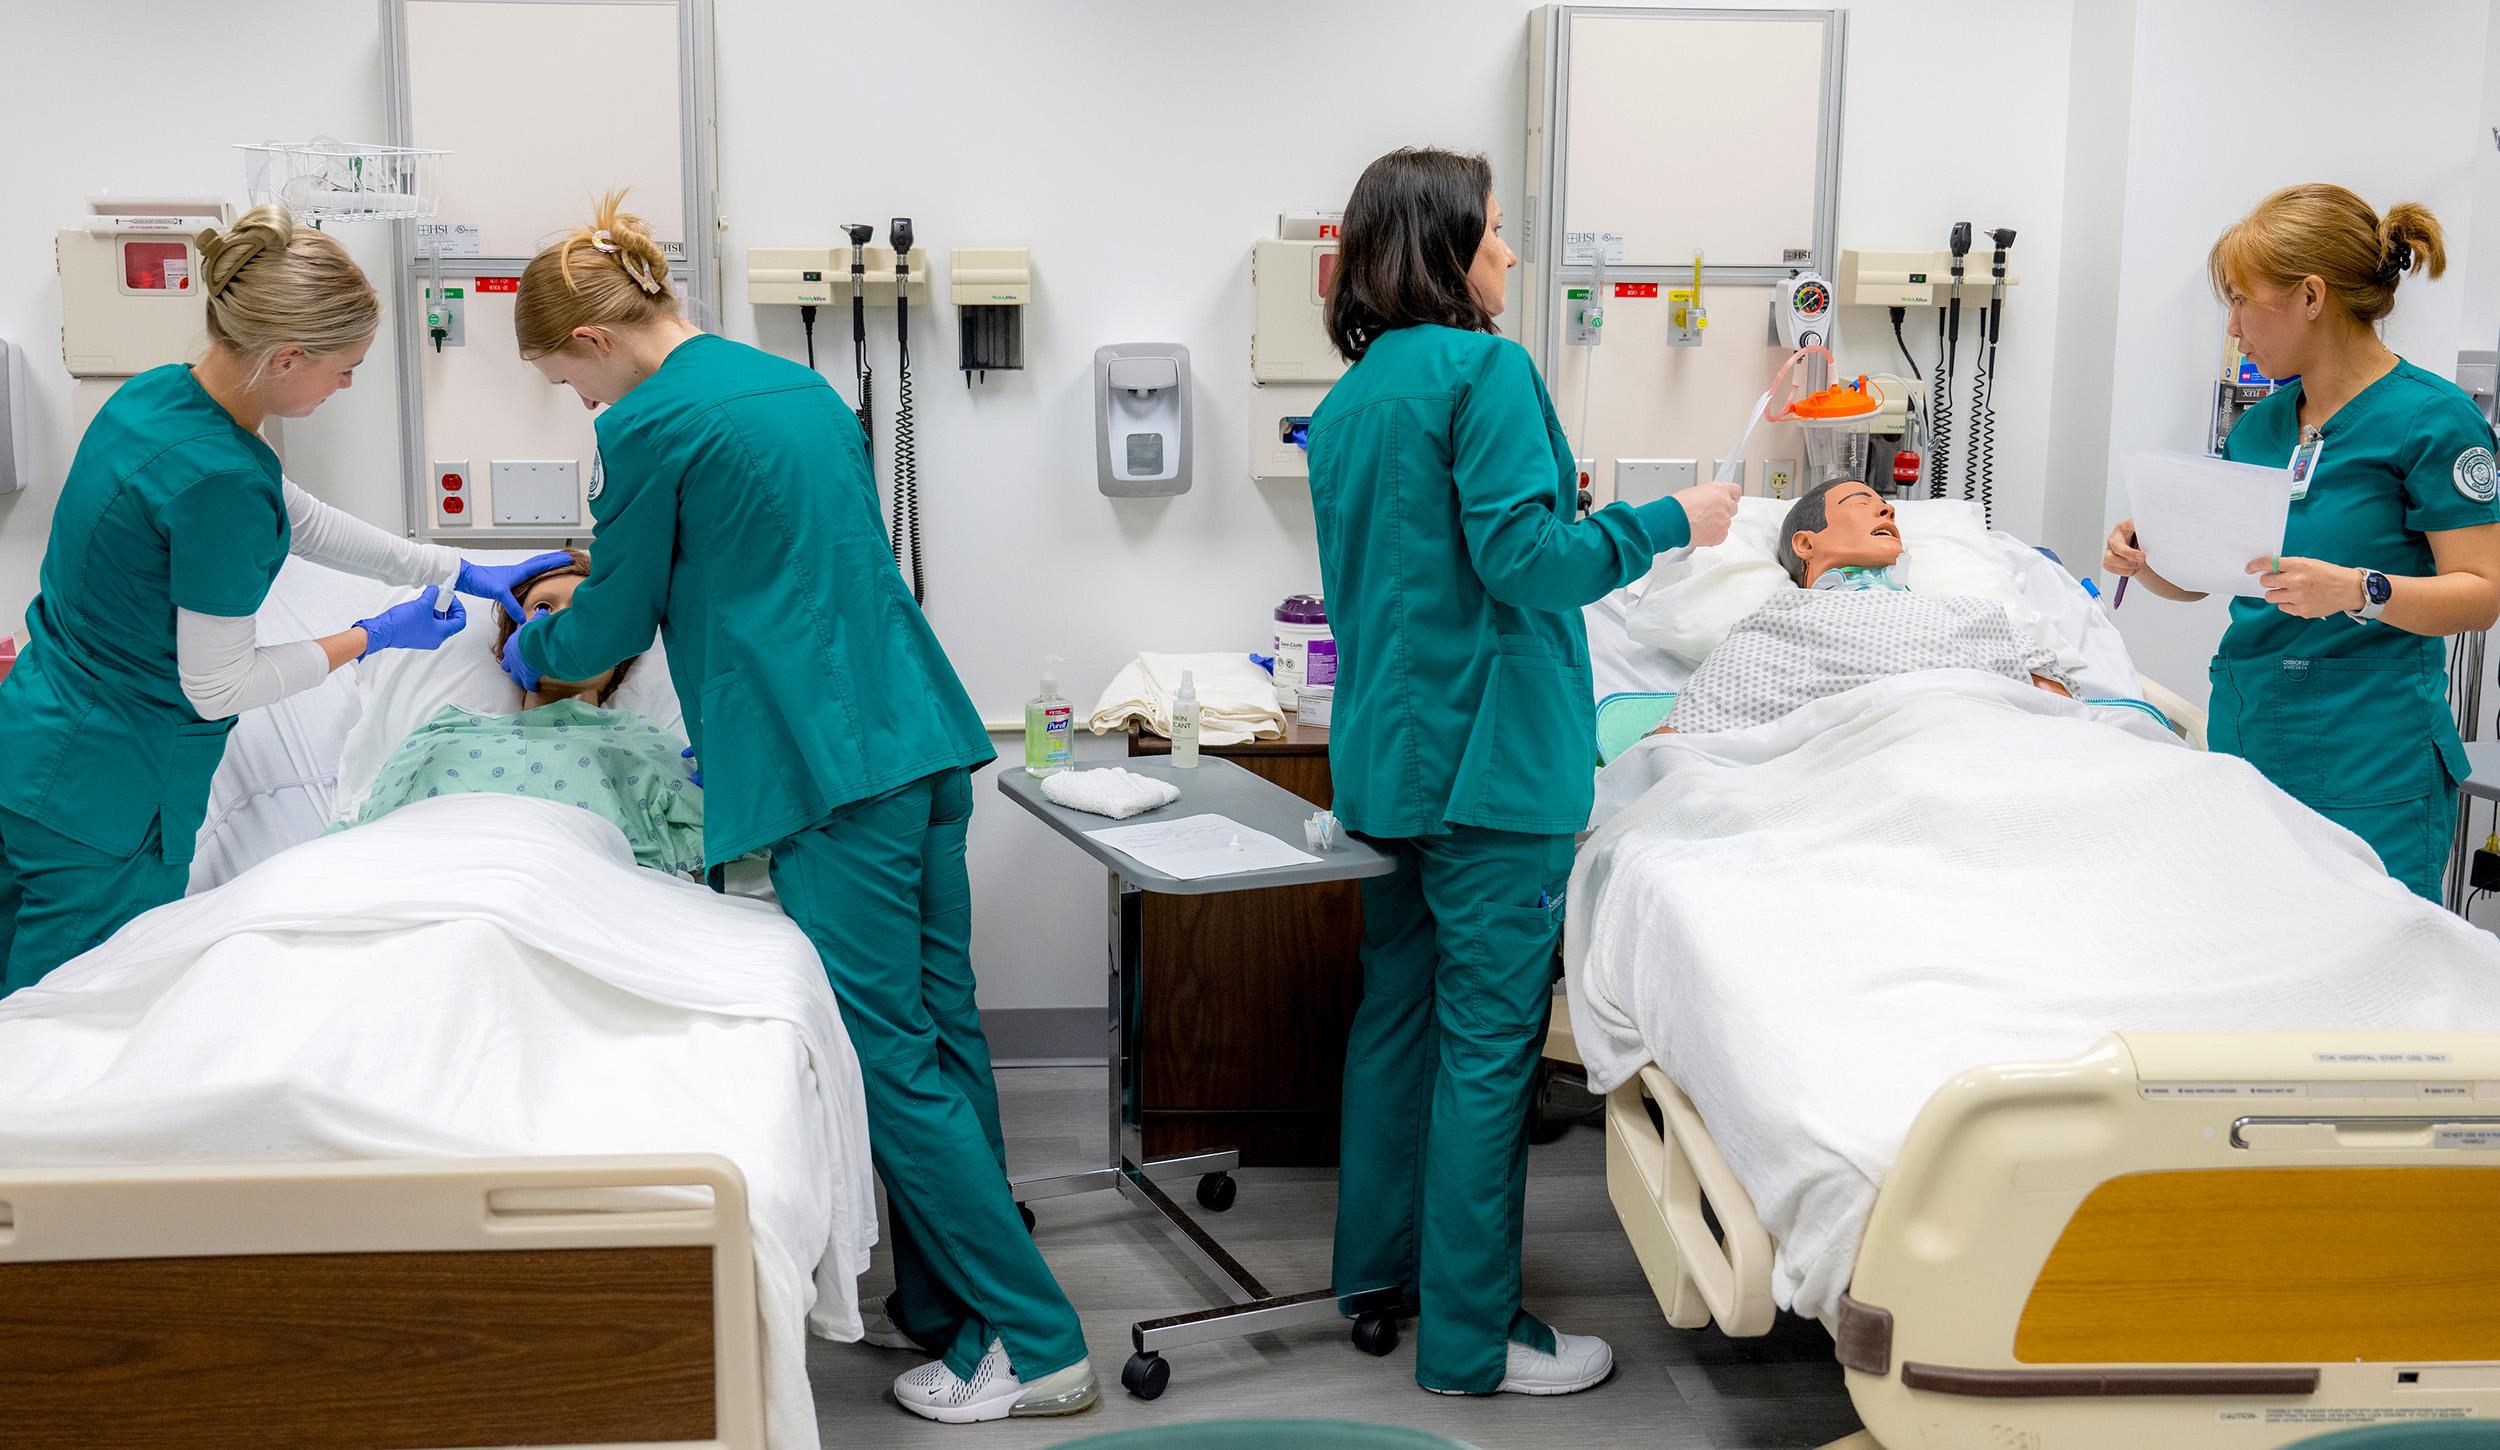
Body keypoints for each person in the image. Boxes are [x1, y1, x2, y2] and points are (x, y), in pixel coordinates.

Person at [497, 192, 1093, 1424]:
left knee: (885, 1059)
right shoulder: (797, 391)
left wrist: (531, 642)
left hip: (828, 773)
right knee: (943, 1029)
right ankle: (947, 1308)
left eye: (567, 378)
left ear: (599, 342)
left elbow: (611, 625)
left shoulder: (647, 426)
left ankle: (1036, 1345)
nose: (580, 400)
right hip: (919, 736)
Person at [1305, 146, 1740, 1399]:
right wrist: (1670, 525)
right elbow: (1525, 563)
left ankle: (1377, 1277)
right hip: (1489, 775)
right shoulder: (1485, 369)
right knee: (1488, 1048)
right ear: (1443, 247)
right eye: (1494, 233)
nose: (1510, 253)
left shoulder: (1350, 400)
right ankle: (1470, 1341)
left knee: (1394, 1026)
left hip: (1388, 768)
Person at [0, 205, 566, 998]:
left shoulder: (158, 397)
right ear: (289, 357)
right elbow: (219, 686)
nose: (345, 387)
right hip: (108, 797)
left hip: (31, 746)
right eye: (345, 371)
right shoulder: (216, 481)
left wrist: (453, 569)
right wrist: (369, 636)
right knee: (67, 1029)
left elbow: (293, 514)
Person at [2104, 187, 2500, 899]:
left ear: (2311, 297)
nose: (2232, 328)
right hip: (2251, 727)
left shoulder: (2432, 422)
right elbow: (2219, 575)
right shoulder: (2262, 425)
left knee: (2371, 977)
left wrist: (2360, 590)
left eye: (2241, 301)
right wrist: (2152, 558)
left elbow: (2480, 595)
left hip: (2367, 753)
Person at [1774, 478, 2072, 695]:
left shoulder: (1962, 614)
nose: (1887, 511)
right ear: (1805, 543)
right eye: (1861, 503)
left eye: (1886, 506)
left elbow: (2053, 701)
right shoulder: (1781, 622)